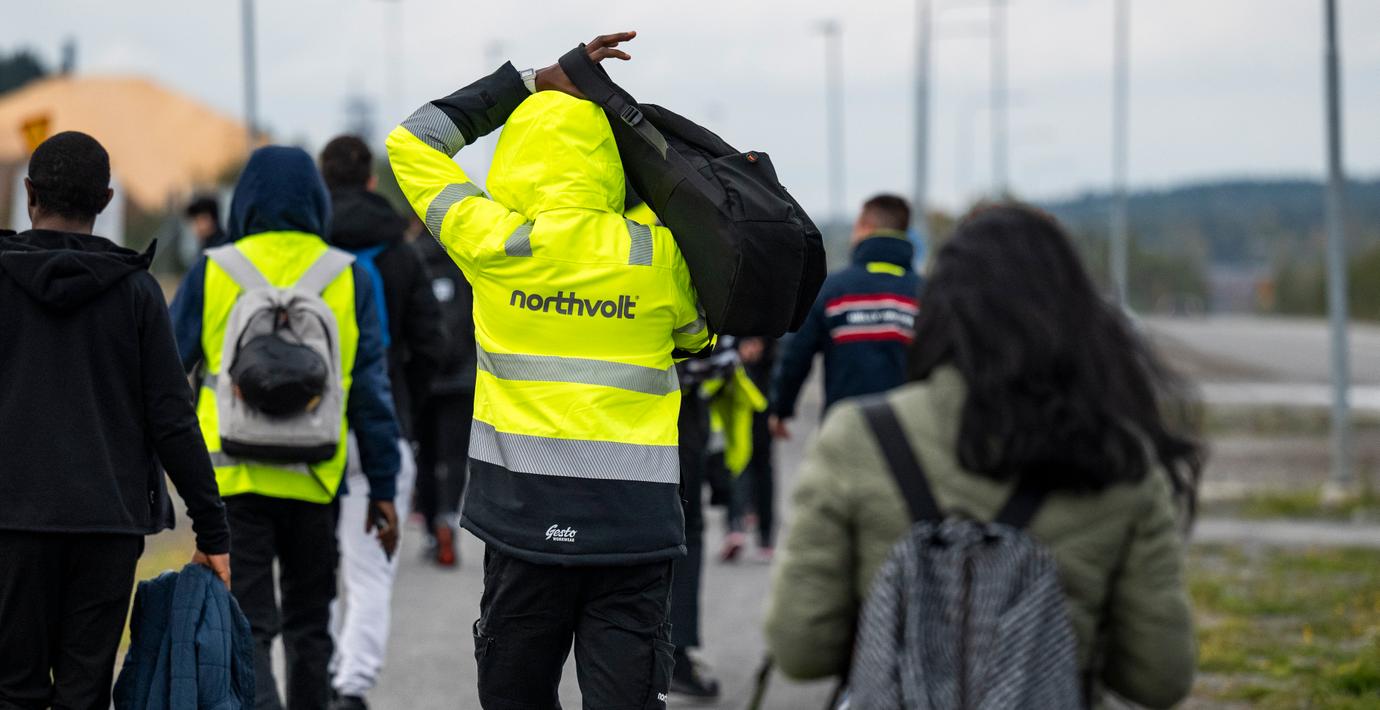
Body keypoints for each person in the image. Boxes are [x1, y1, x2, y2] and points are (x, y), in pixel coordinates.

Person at [764, 205, 1201, 709]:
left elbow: (799, 648)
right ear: (1078, 315)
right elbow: (1160, 677)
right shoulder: (1118, 458)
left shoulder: (857, 439)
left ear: (943, 310)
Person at [387, 31, 710, 709]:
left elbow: (411, 141)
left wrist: (530, 81)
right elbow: (693, 336)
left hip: (522, 519)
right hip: (633, 524)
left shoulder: (493, 242)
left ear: (521, 158)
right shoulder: (655, 251)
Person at [0, 131, 230, 710]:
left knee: (12, 689)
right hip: (107, 526)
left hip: (9, 524)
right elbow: (173, 420)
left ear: (29, 194)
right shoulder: (136, 292)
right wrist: (213, 531)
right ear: (105, 202)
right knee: (85, 693)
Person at [170, 145, 401, 710]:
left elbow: (168, 370)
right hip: (316, 477)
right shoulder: (347, 275)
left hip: (234, 480)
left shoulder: (214, 268)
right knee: (310, 627)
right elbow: (371, 390)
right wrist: (385, 489)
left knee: (250, 625)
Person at [319, 135, 446, 709]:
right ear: (372, 181)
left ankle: (313, 671)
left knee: (311, 568)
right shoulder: (400, 251)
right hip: (384, 418)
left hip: (306, 427)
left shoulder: (309, 248)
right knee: (369, 570)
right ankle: (352, 687)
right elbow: (432, 341)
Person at [768, 194, 922, 439]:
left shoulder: (833, 291)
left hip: (845, 432)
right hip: (909, 433)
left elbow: (796, 354)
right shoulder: (925, 294)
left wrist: (781, 408)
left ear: (865, 228)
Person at [414, 233, 477, 568]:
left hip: (423, 376)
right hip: (461, 377)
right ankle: (447, 517)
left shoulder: (412, 258)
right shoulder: (464, 262)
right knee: (453, 457)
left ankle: (427, 529)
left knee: (425, 455)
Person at [720, 336, 777, 563]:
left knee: (758, 461)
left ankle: (762, 534)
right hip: (739, 376)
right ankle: (737, 526)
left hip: (763, 379)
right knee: (737, 458)